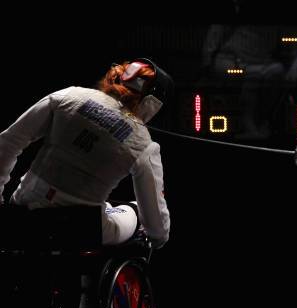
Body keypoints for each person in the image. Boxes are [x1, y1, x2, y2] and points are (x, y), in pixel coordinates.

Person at [0, 58, 171, 249]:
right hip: (81, 228)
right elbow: (156, 227)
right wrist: (158, 238)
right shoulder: (144, 143)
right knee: (136, 209)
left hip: (25, 206)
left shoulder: (69, 96)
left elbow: (7, 142)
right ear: (152, 103)